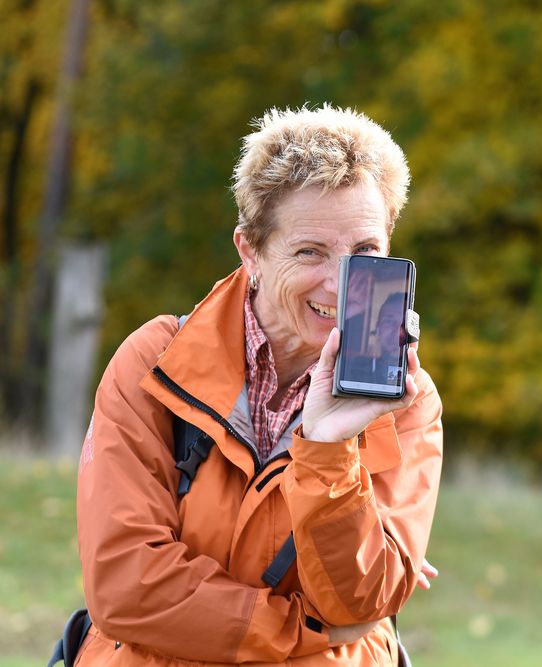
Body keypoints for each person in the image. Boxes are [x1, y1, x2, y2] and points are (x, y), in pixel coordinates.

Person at [73, 106, 444, 666]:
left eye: (365, 252)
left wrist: (329, 449)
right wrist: (306, 633)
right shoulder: (154, 365)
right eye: (310, 251)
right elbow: (126, 587)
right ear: (251, 251)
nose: (341, 283)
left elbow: (362, 599)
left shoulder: (406, 402)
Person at [346, 292, 408, 386]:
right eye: (389, 321)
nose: (398, 331)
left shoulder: (421, 384)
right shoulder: (350, 369)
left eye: (405, 324)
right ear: (377, 329)